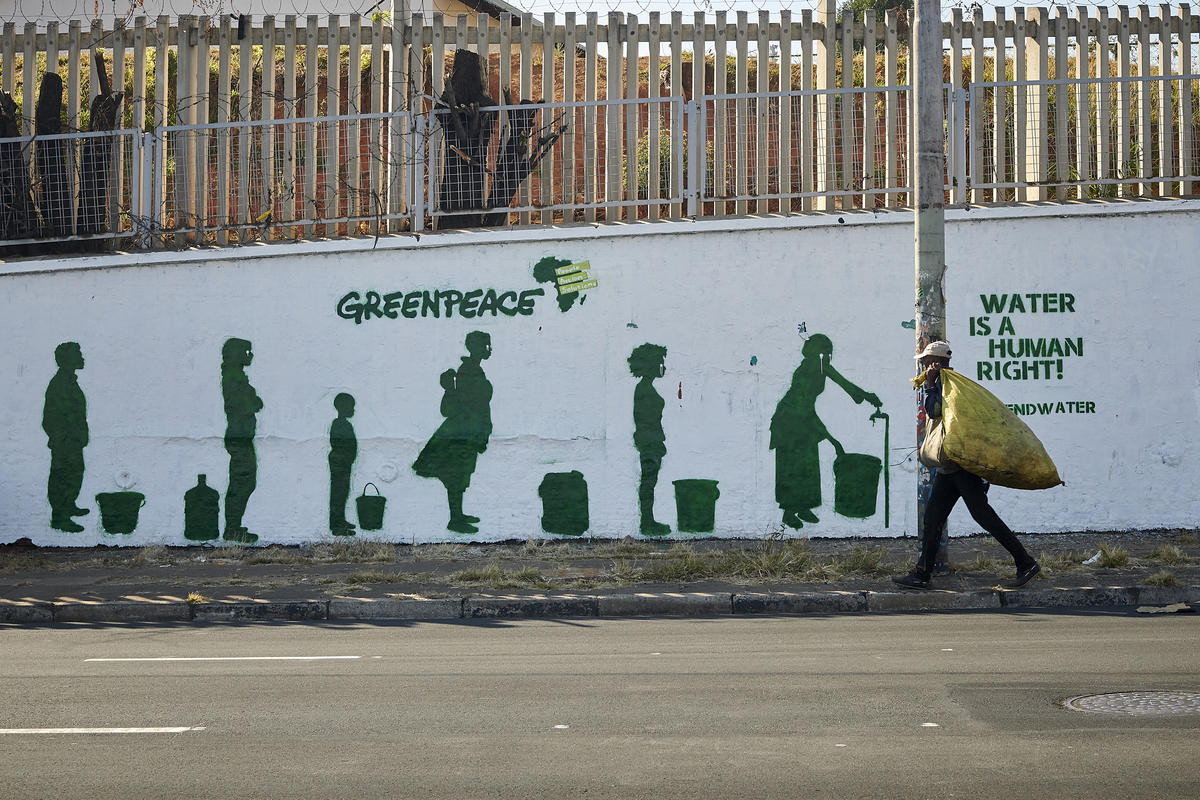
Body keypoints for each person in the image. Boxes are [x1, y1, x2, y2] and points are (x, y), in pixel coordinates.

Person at [893, 340, 1041, 589]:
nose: (921, 366)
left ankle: (1025, 562)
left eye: (925, 362)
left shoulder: (948, 387)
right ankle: (922, 573)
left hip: (962, 470)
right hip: (950, 469)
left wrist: (929, 385)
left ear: (936, 363)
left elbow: (934, 411)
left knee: (984, 517)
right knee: (933, 519)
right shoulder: (951, 385)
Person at [770, 334, 881, 529]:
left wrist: (866, 396)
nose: (829, 357)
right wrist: (832, 439)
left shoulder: (821, 367)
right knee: (792, 466)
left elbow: (843, 382)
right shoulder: (805, 372)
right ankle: (789, 511)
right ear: (816, 354)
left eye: (829, 353)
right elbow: (804, 408)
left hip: (803, 419)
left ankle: (803, 507)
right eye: (825, 353)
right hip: (788, 422)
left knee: (809, 464)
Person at [413, 331, 494, 534]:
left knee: (460, 475)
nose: (489, 349)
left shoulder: (473, 370)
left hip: (466, 431)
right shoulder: (468, 371)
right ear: (476, 348)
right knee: (457, 475)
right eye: (486, 346)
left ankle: (458, 515)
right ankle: (455, 519)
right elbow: (467, 405)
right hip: (462, 433)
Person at [43, 342, 89, 532]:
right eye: (78, 354)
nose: (82, 357)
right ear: (67, 360)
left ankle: (69, 505)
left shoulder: (69, 381)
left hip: (73, 441)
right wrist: (63, 439)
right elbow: (51, 417)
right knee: (61, 476)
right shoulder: (59, 384)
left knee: (75, 473)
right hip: (65, 442)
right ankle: (59, 518)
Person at [222, 337, 262, 544]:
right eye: (247, 352)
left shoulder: (237, 376)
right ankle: (232, 528)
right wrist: (254, 401)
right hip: (239, 438)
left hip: (243, 437)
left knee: (245, 482)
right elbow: (245, 404)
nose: (250, 356)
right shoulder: (233, 377)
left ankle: (234, 526)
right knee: (241, 482)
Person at [628, 343, 670, 536]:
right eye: (660, 362)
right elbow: (644, 420)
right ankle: (647, 521)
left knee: (649, 482)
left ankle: (648, 520)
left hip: (651, 442)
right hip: (649, 443)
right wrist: (652, 441)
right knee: (648, 482)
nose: (662, 366)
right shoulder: (644, 389)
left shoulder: (644, 388)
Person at [328, 393, 358, 536]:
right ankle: (337, 525)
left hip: (343, 463)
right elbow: (339, 444)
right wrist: (346, 457)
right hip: (340, 463)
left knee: (343, 492)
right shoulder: (339, 424)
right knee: (338, 494)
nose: (353, 409)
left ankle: (341, 520)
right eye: (351, 407)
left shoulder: (343, 424)